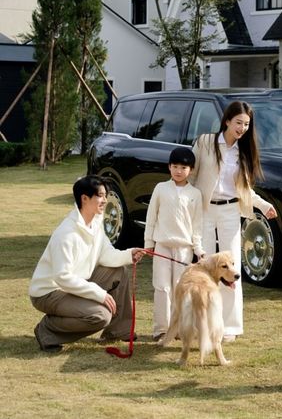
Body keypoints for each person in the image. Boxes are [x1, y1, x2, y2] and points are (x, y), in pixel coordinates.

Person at [190, 100, 277, 340]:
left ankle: (230, 327)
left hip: (230, 211)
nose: (242, 128)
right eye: (238, 122)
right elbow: (192, 177)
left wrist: (264, 206)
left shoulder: (244, 152)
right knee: (206, 267)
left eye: (246, 124)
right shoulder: (205, 142)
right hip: (205, 210)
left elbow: (245, 190)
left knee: (232, 269)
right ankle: (203, 325)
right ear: (227, 121)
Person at [29, 175, 145, 353]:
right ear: (84, 198)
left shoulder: (95, 222)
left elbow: (106, 254)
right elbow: (62, 277)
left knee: (119, 272)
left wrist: (129, 254)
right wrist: (99, 294)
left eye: (105, 195)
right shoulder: (66, 234)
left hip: (73, 284)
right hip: (49, 292)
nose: (105, 200)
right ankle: (47, 331)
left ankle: (117, 330)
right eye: (100, 196)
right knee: (100, 315)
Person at [144, 146, 204, 341]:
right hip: (162, 246)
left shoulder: (195, 194)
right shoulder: (161, 188)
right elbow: (151, 216)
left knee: (181, 289)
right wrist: (148, 243)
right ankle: (161, 330)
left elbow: (197, 225)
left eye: (183, 167)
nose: (179, 171)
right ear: (169, 167)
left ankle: (179, 329)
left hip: (184, 249)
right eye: (175, 166)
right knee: (162, 287)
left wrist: (198, 249)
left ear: (191, 170)